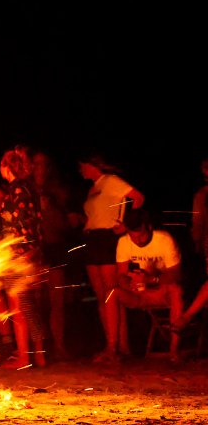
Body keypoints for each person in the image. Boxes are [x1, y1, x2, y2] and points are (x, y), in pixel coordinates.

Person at [77, 153, 144, 361]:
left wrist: (127, 224)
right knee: (100, 296)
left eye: (82, 166)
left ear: (91, 165)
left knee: (111, 293)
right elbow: (97, 214)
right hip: (93, 238)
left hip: (108, 238)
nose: (80, 170)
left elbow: (138, 197)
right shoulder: (92, 188)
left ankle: (121, 346)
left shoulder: (111, 181)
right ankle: (110, 345)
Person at [0, 147, 47, 369]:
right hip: (29, 253)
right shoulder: (26, 189)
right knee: (29, 305)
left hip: (19, 254)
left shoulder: (18, 190)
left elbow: (20, 222)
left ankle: (23, 358)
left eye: (2, 164)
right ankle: (39, 355)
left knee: (18, 307)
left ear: (8, 167)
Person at [112, 209, 183, 362]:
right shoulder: (124, 242)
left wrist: (151, 279)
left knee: (176, 289)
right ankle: (113, 349)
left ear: (149, 227)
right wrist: (129, 283)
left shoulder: (164, 239)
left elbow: (176, 274)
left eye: (142, 235)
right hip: (139, 292)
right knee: (111, 294)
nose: (138, 241)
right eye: (133, 236)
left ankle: (174, 349)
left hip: (162, 292)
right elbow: (121, 275)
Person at [32, 150, 73, 359]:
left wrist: (51, 210)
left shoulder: (57, 190)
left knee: (57, 302)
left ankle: (59, 345)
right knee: (36, 302)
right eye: (35, 163)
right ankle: (39, 349)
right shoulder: (26, 188)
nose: (38, 167)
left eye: (42, 164)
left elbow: (66, 223)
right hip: (35, 249)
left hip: (54, 247)